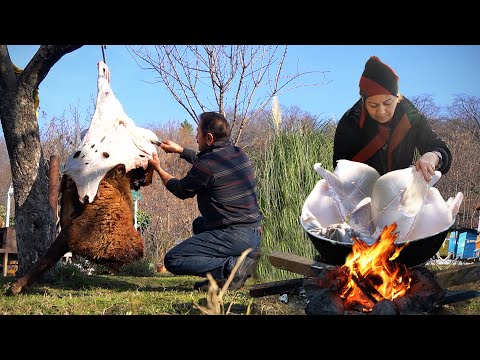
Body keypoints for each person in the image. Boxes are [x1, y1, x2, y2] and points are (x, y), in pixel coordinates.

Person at [148, 111, 263, 291]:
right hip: (254, 233)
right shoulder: (239, 154)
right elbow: (208, 164)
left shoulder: (207, 164)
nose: (195, 137)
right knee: (199, 225)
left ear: (209, 138)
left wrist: (158, 169)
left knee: (173, 260)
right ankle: (227, 278)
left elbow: (181, 190)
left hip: (235, 234)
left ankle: (231, 267)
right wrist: (180, 150)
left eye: (198, 132)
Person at [333, 56, 451, 182]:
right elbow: (340, 168)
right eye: (373, 105)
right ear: (364, 102)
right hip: (360, 191)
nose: (381, 111)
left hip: (400, 190)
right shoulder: (349, 122)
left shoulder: (411, 116)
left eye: (388, 103)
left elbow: (440, 148)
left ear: (397, 98)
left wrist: (433, 156)